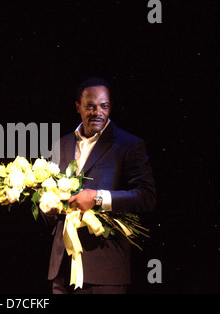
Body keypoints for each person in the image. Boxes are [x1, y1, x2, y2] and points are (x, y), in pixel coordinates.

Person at [46, 77, 157, 294]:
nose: (97, 112)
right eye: (90, 106)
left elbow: (147, 197)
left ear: (110, 107)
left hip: (105, 270)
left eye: (104, 106)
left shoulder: (128, 145)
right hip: (62, 268)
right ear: (78, 107)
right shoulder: (61, 145)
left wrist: (98, 197)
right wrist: (46, 207)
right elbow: (49, 198)